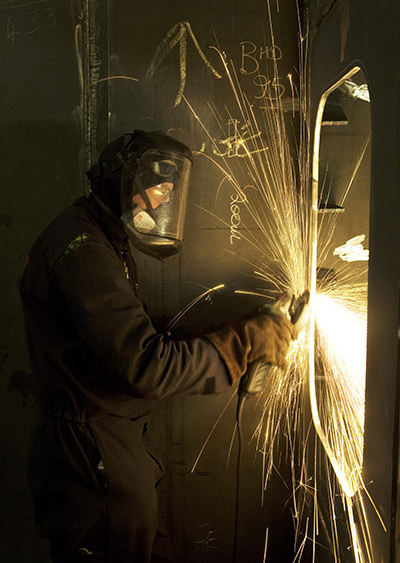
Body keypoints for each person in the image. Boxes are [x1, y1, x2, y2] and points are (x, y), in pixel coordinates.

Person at [19, 129, 299, 562]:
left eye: (169, 192)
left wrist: (230, 325)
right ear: (123, 180)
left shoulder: (101, 238)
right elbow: (145, 366)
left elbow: (136, 335)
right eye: (156, 189)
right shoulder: (83, 251)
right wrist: (242, 344)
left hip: (112, 446)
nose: (161, 203)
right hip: (93, 457)